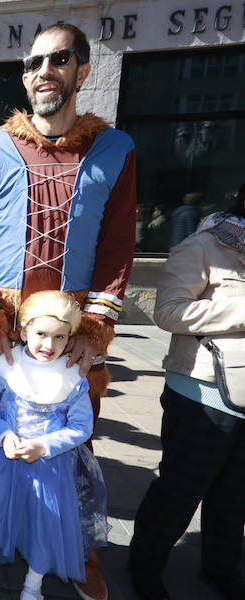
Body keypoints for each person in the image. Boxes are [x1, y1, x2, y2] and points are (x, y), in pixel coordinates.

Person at [0, 26, 136, 600]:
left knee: (76, 437)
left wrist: (97, 324)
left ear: (83, 70)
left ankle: (77, 542)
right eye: (33, 62)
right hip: (2, 322)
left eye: (59, 58)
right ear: (24, 76)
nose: (44, 70)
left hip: (70, 330)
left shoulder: (116, 149)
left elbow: (121, 243)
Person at [0, 290, 108, 600]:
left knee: (45, 521)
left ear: (70, 339)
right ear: (24, 329)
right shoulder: (7, 365)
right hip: (3, 459)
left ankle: (33, 583)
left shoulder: (72, 376)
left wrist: (45, 446)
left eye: (59, 337)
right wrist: (4, 434)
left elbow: (82, 426)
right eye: (41, 334)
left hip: (50, 468)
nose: (48, 345)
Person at [128, 183, 245, 600]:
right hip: (202, 392)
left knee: (234, 496)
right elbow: (169, 312)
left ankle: (221, 568)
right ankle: (144, 566)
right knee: (180, 490)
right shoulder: (204, 246)